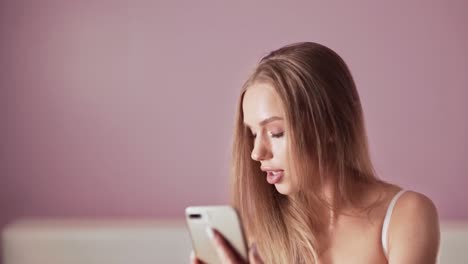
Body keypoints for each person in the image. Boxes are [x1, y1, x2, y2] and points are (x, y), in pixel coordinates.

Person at [191, 42, 440, 263]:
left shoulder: (405, 216)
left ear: (330, 127)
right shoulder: (258, 236)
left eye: (276, 132)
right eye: (253, 133)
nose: (257, 152)